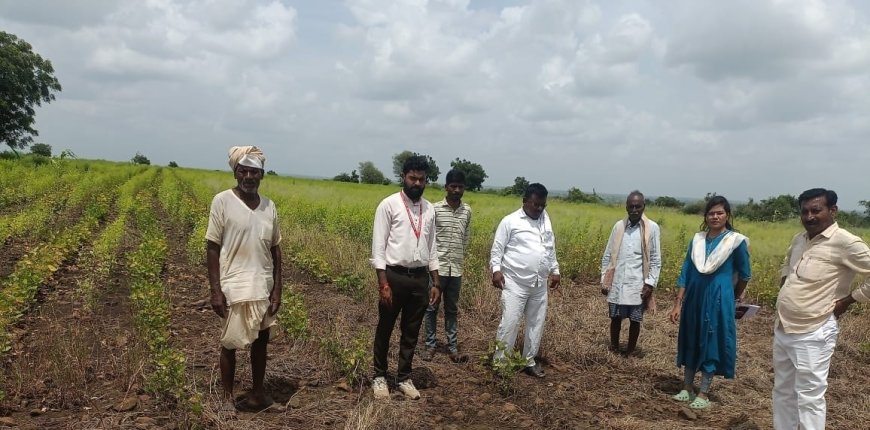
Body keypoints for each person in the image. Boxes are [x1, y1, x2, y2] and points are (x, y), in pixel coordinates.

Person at [773, 188, 870, 429]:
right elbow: (788, 264)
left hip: (814, 330)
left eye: (816, 210)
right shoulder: (800, 239)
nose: (809, 216)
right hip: (784, 326)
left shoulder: (845, 242)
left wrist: (848, 301)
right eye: (804, 211)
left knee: (809, 397)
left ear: (832, 211)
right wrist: (786, 284)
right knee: (783, 391)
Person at [206, 146, 283, 414]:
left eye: (254, 172)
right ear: (236, 172)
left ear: (262, 175)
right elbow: (212, 247)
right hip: (234, 284)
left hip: (262, 284)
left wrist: (277, 290)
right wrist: (215, 290)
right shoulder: (222, 201)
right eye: (244, 171)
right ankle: (227, 399)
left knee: (261, 342)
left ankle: (257, 395)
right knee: (230, 343)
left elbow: (276, 250)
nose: (248, 176)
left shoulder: (269, 206)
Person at [669, 195, 751, 410]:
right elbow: (685, 272)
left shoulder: (735, 242)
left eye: (719, 213)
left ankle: (704, 392)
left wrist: (733, 296)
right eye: (711, 213)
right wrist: (678, 302)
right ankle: (686, 387)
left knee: (711, 341)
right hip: (694, 297)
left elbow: (745, 274)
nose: (715, 216)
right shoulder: (697, 240)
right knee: (690, 336)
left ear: (727, 215)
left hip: (718, 299)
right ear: (705, 216)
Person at [370, 156, 441, 400]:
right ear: (403, 177)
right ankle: (379, 376)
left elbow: (432, 248)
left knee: (411, 330)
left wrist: (435, 282)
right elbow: (378, 248)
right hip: (394, 276)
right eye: (413, 178)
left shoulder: (429, 209)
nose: (417, 183)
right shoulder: (388, 205)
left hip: (420, 280)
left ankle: (404, 377)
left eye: (421, 179)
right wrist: (383, 283)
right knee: (385, 328)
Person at [490, 183, 560, 378]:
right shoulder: (510, 221)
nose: (539, 209)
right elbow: (497, 249)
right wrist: (496, 270)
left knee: (536, 323)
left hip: (539, 283)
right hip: (514, 282)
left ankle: (529, 360)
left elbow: (549, 247)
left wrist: (555, 270)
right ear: (525, 202)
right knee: (510, 322)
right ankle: (500, 364)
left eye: (542, 205)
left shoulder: (546, 220)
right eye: (535, 204)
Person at [600, 191, 661, 356]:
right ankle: (614, 347)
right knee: (615, 318)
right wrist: (604, 280)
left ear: (643, 207)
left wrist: (650, 283)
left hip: (637, 282)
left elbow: (655, 259)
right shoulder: (619, 226)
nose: (634, 209)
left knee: (635, 320)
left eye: (638, 206)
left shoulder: (652, 228)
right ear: (626, 207)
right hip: (618, 280)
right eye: (631, 206)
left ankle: (630, 351)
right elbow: (608, 255)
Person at [421, 169, 472, 363]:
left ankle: (452, 348)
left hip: (456, 269)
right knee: (432, 307)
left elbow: (465, 238)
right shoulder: (434, 209)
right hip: (437, 269)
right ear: (446, 187)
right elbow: (429, 239)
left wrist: (459, 256)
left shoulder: (467, 211)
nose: (457, 190)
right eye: (453, 186)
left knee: (452, 309)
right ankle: (430, 346)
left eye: (460, 187)